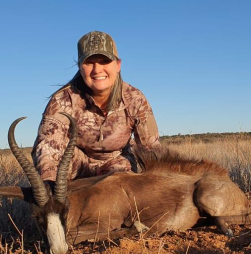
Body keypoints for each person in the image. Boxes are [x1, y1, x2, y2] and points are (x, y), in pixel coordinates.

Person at [32, 31, 161, 183]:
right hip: (76, 164)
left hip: (116, 163)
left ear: (118, 65)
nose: (97, 70)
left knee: (124, 179)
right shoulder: (62, 100)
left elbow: (150, 149)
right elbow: (47, 149)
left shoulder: (135, 99)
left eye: (104, 61)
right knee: (56, 170)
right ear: (80, 66)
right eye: (89, 63)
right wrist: (49, 186)